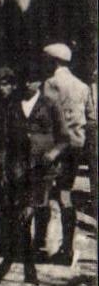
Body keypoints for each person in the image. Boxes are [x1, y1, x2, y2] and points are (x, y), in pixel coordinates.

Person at [0, 61, 65, 284]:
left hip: (41, 170)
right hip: (17, 168)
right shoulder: (13, 105)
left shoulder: (50, 104)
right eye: (24, 80)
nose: (27, 84)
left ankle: (21, 263)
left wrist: (53, 153)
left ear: (40, 82)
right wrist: (2, 169)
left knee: (30, 213)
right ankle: (21, 264)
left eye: (31, 80)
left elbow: (64, 139)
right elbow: (4, 140)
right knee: (18, 216)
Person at [42, 42, 96, 266]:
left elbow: (44, 116)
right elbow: (92, 119)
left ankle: (42, 244)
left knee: (45, 193)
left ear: (53, 62)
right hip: (75, 147)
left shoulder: (50, 84)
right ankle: (67, 247)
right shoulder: (83, 86)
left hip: (54, 148)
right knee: (66, 193)